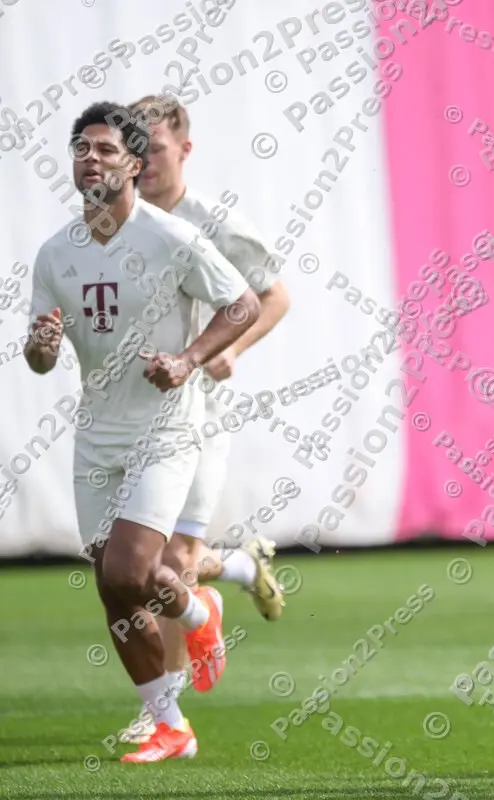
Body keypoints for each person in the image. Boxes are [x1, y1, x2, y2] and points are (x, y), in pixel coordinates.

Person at [25, 101, 261, 763]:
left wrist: (187, 360)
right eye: (82, 148)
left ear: (134, 163)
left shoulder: (171, 238)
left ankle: (174, 696)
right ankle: (176, 702)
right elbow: (41, 359)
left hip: (166, 428)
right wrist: (40, 345)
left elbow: (241, 301)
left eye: (105, 149)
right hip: (97, 432)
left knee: (128, 568)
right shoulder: (54, 254)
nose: (91, 158)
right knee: (114, 583)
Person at [113, 94, 292, 745]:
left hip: (198, 417)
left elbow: (274, 295)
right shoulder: (114, 222)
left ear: (185, 150)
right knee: (135, 564)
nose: (142, 162)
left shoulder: (211, 222)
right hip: (130, 419)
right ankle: (236, 573)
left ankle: (163, 713)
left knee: (170, 557)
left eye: (154, 149)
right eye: (133, 150)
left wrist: (230, 350)